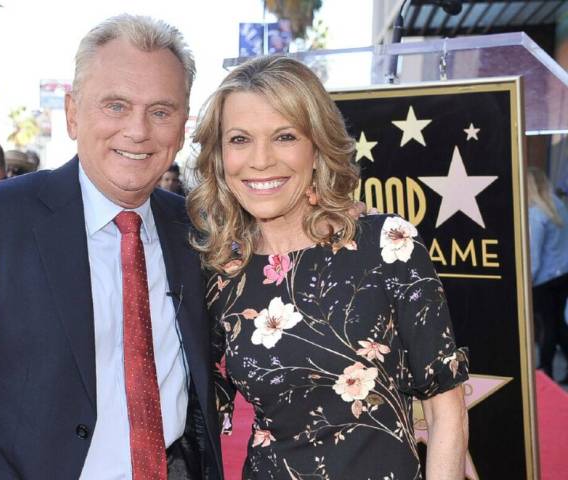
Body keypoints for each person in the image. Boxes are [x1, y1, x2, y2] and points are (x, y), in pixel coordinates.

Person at [0, 14, 223, 479]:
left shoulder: (194, 228)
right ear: (73, 113)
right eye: (115, 105)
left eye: (160, 110)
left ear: (182, 125)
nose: (137, 130)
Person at [187, 56, 469, 479]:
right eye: (240, 139)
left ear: (317, 147)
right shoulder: (223, 271)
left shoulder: (387, 245)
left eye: (284, 136)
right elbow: (190, 404)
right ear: (220, 156)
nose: (260, 160)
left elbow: (445, 408)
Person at [526, 166, 568, 382]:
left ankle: (546, 371)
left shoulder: (535, 214)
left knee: (547, 327)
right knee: (558, 322)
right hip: (563, 275)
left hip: (544, 280)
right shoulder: (558, 205)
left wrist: (526, 284)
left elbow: (533, 257)